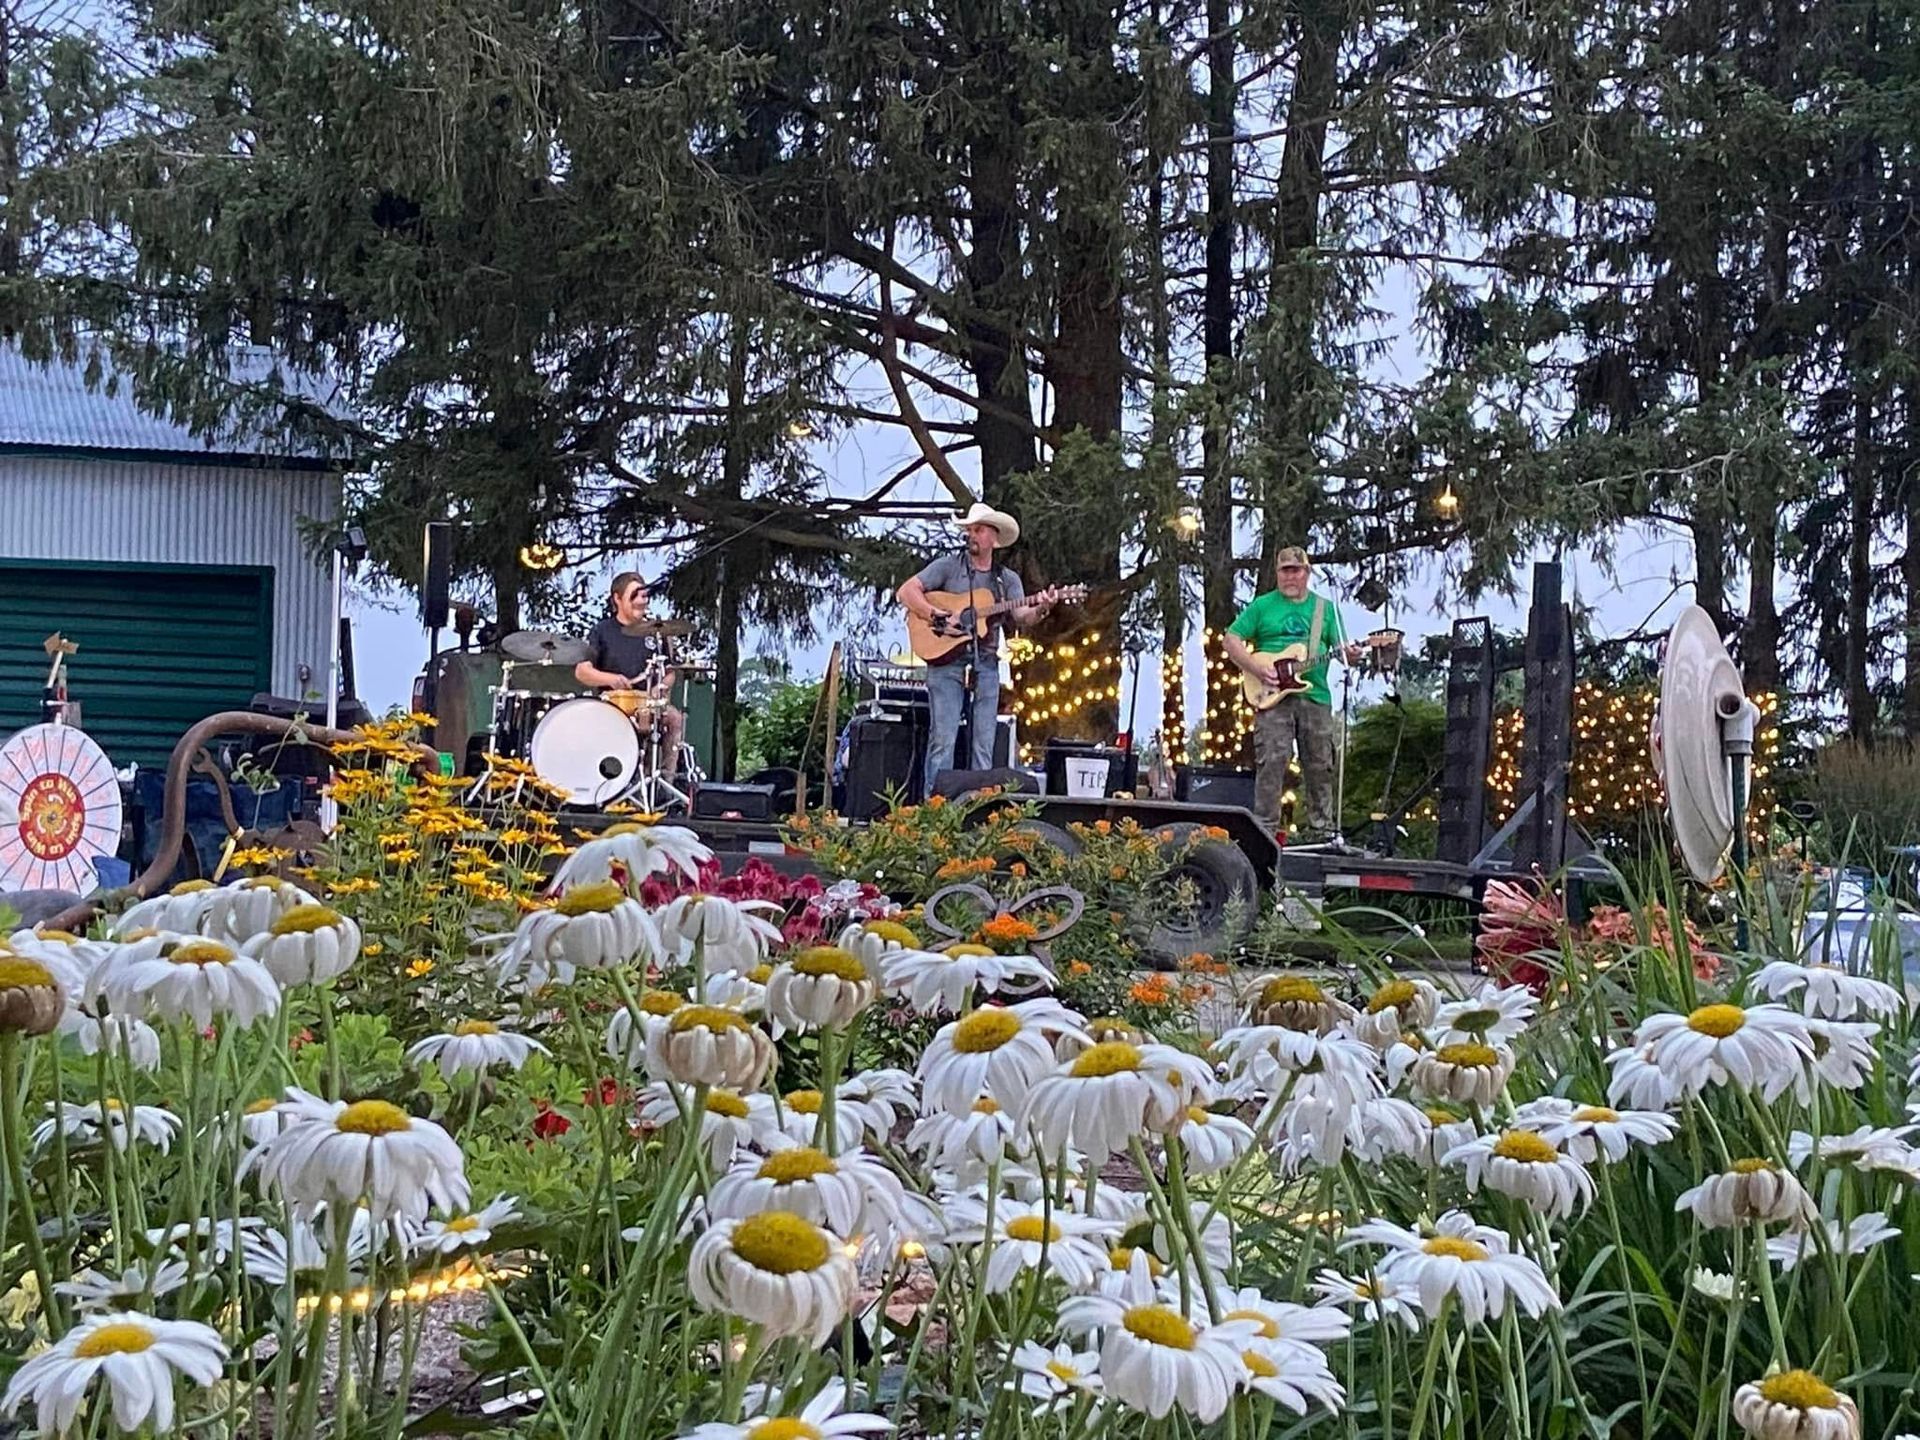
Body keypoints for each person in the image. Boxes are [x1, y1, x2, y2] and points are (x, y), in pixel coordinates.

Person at [897, 502, 1057, 792]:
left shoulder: (1006, 579)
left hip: (985, 664)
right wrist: (934, 614)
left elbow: (1023, 616)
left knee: (983, 744)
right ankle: (935, 811)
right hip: (946, 663)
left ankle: (979, 812)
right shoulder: (948, 566)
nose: (971, 534)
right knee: (942, 740)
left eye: (978, 529)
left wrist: (1042, 608)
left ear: (993, 539)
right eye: (969, 529)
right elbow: (906, 591)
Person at [1222, 546, 1362, 839]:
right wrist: (1257, 669)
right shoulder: (1262, 606)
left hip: (1315, 696)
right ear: (1277, 573)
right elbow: (1231, 639)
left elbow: (1345, 655)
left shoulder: (1325, 609)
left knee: (1320, 763)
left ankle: (1321, 831)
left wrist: (1354, 654)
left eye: (1295, 570)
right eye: (1285, 570)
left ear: (1306, 573)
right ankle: (1264, 831)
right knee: (1272, 760)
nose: (1290, 576)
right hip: (1271, 696)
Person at [574, 572, 685, 776]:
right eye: (635, 596)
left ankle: (664, 782)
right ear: (617, 598)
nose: (642, 601)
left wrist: (661, 688)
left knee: (675, 718)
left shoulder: (655, 631)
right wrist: (610, 679)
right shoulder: (602, 631)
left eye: (644, 596)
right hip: (612, 705)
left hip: (647, 704)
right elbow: (582, 671)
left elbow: (670, 672)